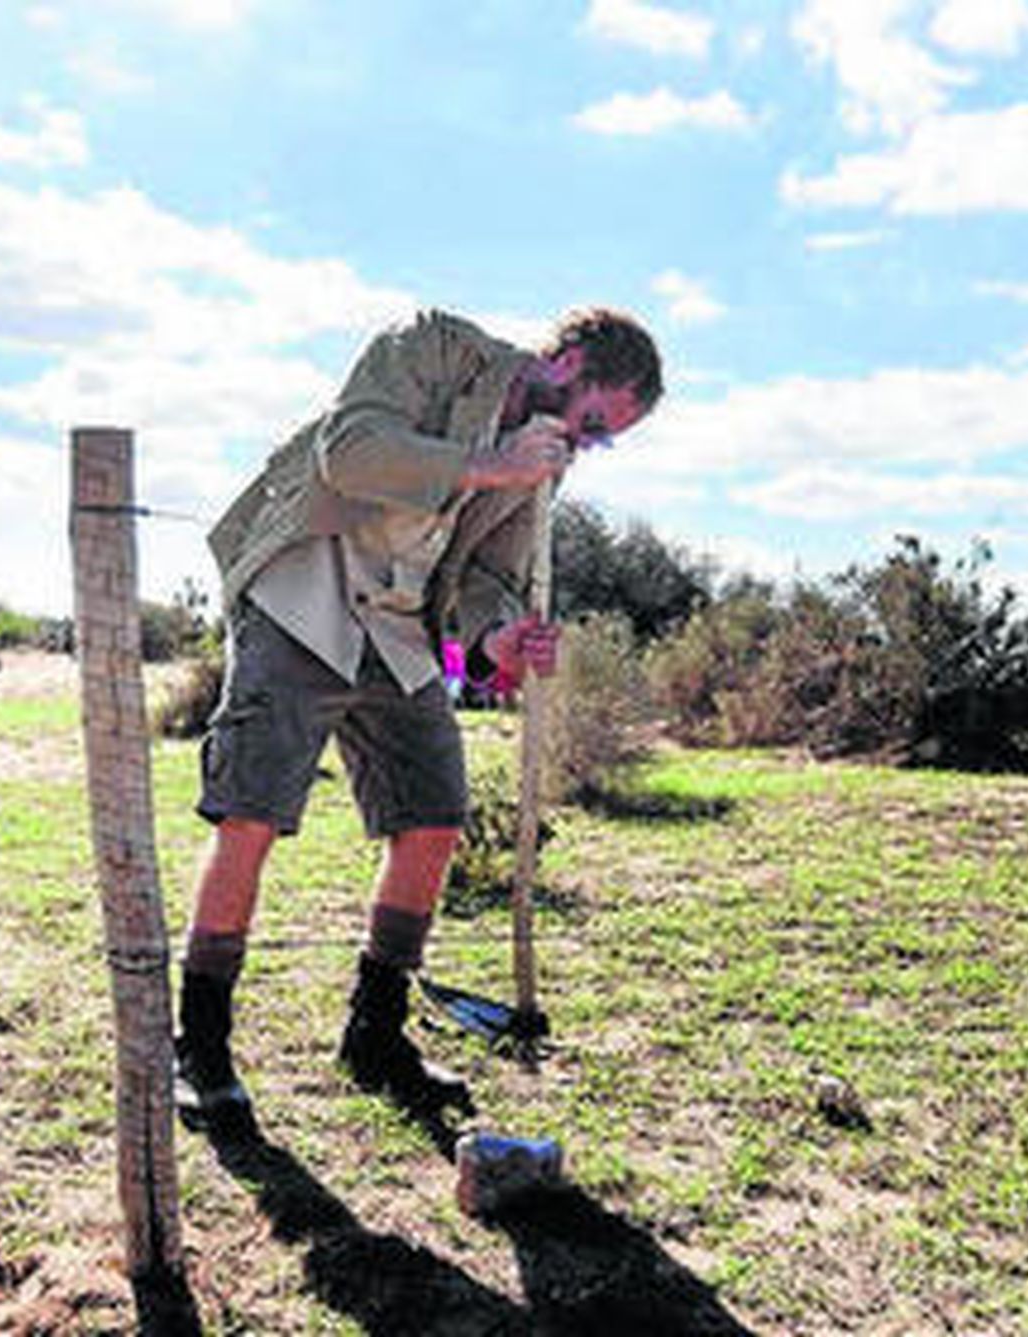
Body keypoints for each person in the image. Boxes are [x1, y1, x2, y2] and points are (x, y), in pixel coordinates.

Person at [176, 307, 663, 1140]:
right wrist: (491, 465)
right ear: (568, 360)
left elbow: (484, 581)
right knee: (251, 817)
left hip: (399, 629)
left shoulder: (543, 464)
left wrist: (496, 637)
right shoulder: (436, 347)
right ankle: (202, 1044)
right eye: (592, 423)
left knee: (434, 820)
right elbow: (351, 449)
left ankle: (375, 1035)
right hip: (306, 591)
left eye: (604, 440)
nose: (586, 446)